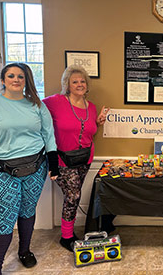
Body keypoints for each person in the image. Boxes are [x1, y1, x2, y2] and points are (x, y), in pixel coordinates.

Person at [0, 63, 59, 275]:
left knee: (28, 212)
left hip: (36, 168)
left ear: (26, 80)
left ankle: (25, 251)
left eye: (20, 76)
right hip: (2, 172)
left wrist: (53, 164)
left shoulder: (36, 105)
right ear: (3, 80)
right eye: (11, 76)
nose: (16, 79)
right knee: (5, 220)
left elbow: (49, 135)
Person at [43, 65, 109, 252]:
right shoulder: (55, 102)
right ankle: (67, 237)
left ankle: (68, 232)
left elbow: (88, 132)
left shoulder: (92, 107)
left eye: (82, 81)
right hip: (63, 160)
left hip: (85, 159)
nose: (79, 84)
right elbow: (34, 108)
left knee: (73, 195)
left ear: (87, 85)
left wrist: (97, 123)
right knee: (73, 195)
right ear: (67, 85)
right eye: (75, 82)